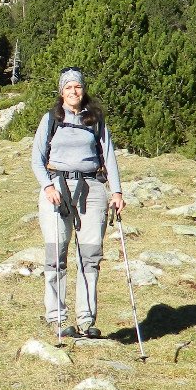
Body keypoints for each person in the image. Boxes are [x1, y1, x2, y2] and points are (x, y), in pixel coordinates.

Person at [29, 68, 125, 339]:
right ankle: (57, 319)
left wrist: (116, 192)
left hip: (92, 189)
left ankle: (86, 321)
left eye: (78, 87)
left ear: (83, 90)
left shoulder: (95, 119)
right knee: (56, 255)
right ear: (62, 91)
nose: (74, 91)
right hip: (57, 190)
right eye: (69, 87)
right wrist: (48, 186)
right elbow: (36, 159)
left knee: (90, 256)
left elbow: (109, 156)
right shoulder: (51, 119)